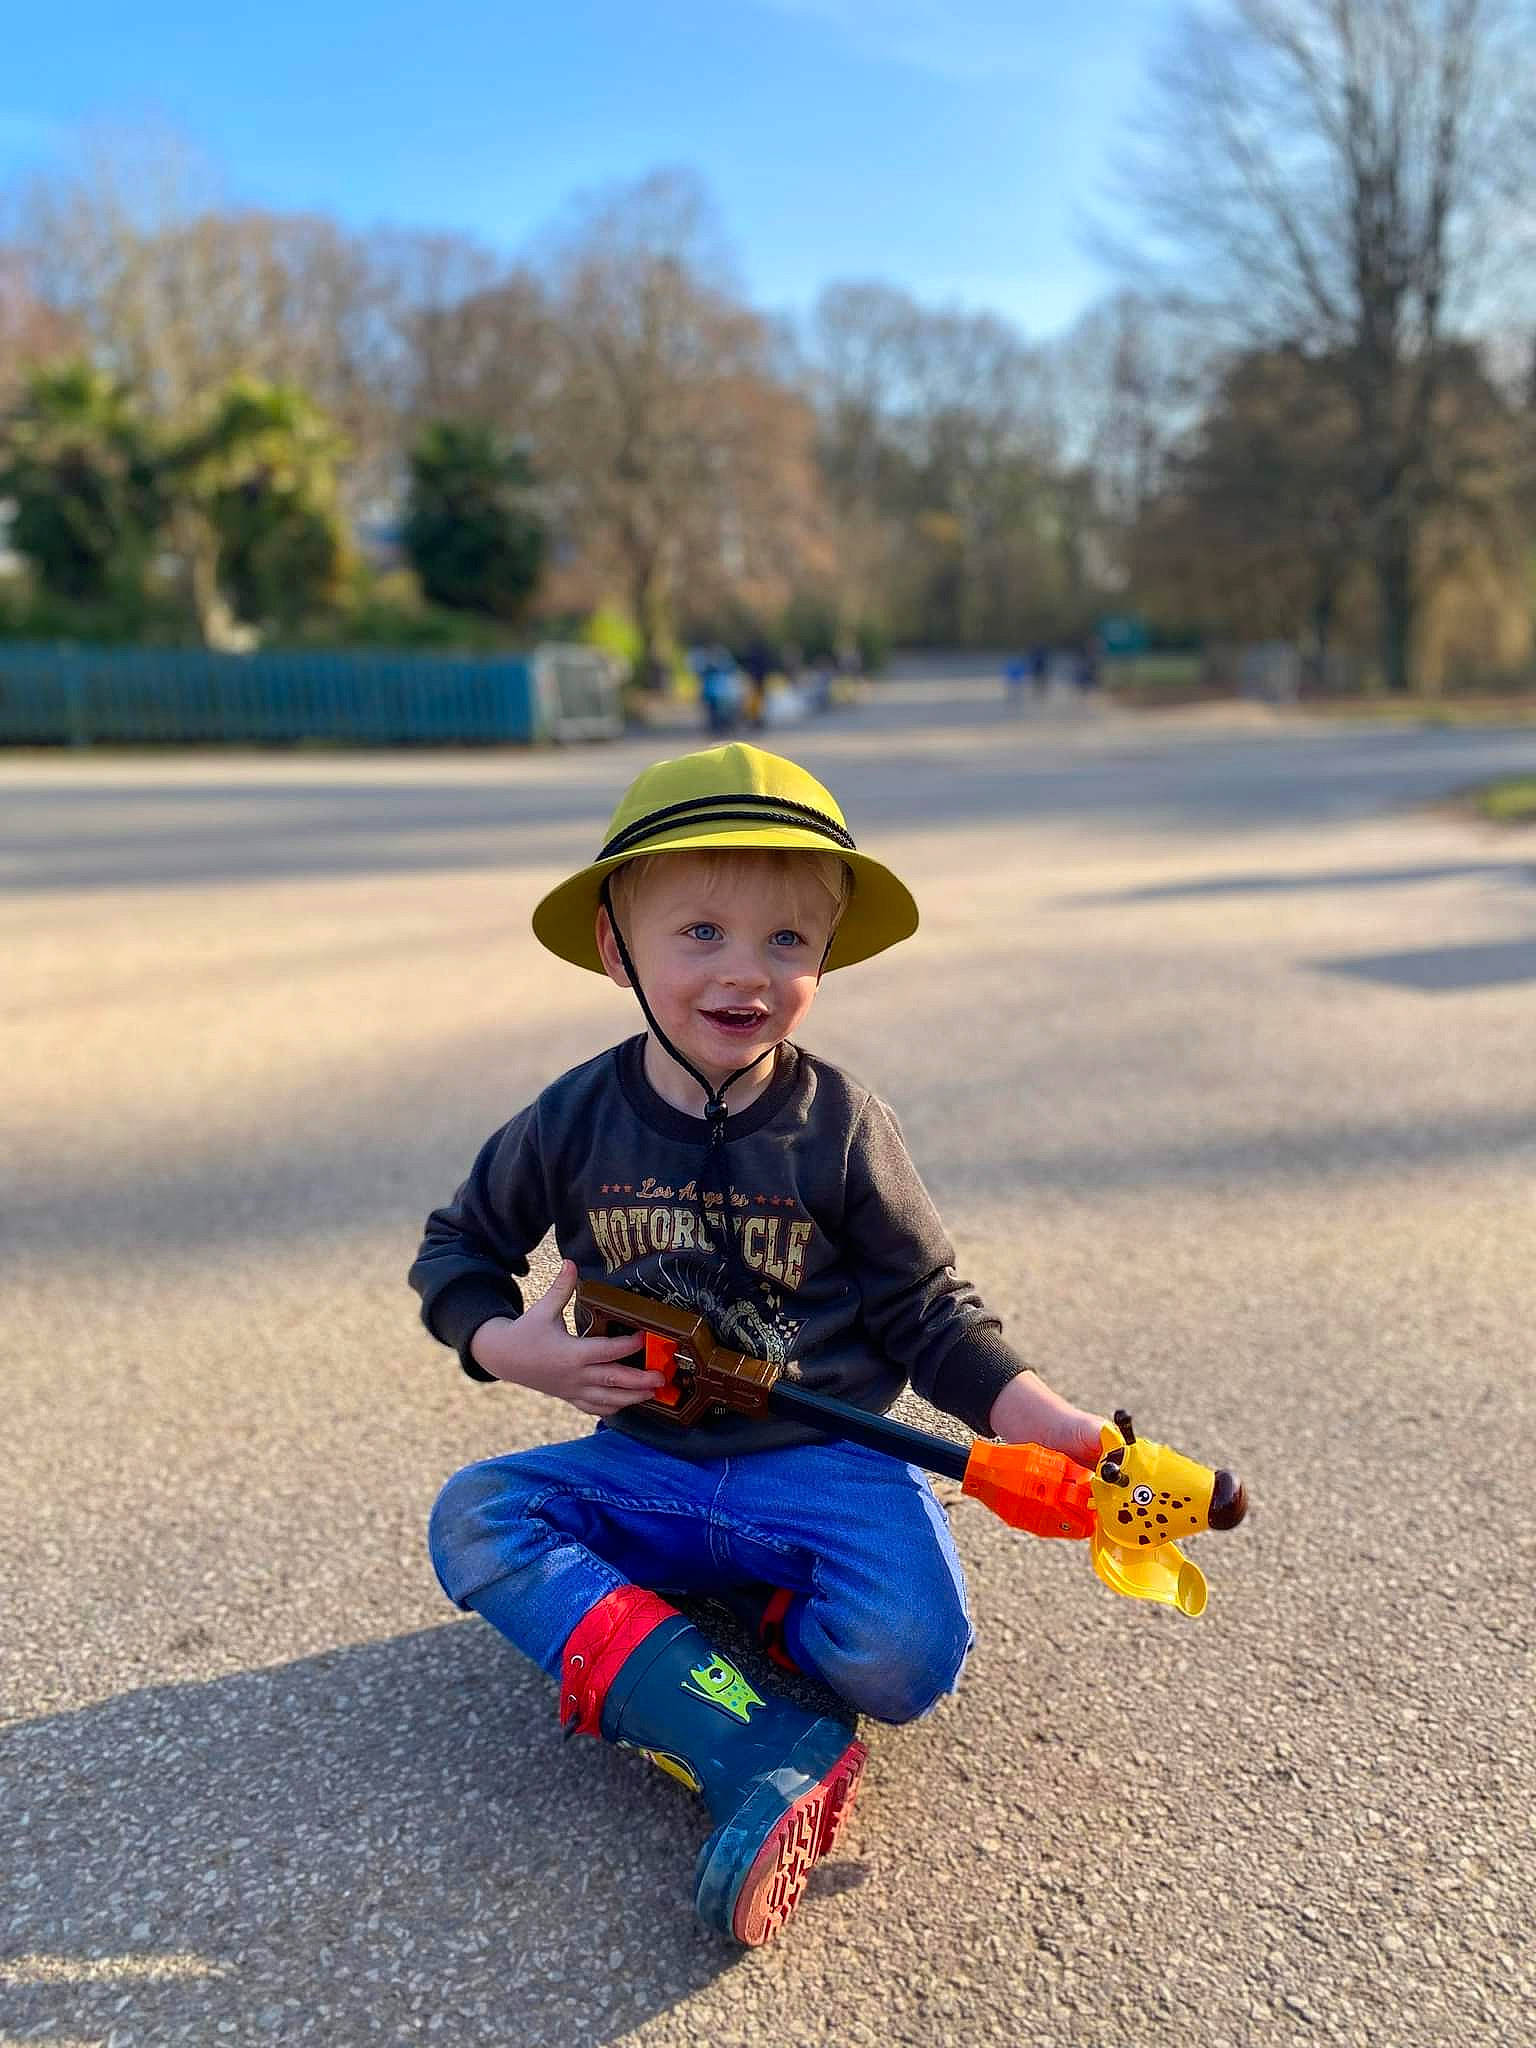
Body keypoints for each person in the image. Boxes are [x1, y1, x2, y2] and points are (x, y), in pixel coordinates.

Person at [410, 743, 1104, 1946]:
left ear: (825, 959)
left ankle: (743, 1608)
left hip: (823, 1460)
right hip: (648, 1460)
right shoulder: (572, 1116)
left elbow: (927, 1306)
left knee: (903, 1658)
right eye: (701, 933)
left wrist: (1031, 1413)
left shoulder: (841, 1125)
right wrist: (503, 1347)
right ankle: (741, 1732)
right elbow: (458, 1245)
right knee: (475, 1515)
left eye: (788, 941)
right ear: (615, 947)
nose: (746, 972)